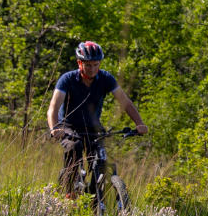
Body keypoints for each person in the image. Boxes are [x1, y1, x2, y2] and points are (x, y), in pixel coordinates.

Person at [46, 41, 149, 199]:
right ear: (79, 63)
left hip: (93, 127)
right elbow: (53, 107)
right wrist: (54, 128)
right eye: (88, 65)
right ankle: (69, 191)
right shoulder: (67, 79)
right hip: (68, 126)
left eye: (96, 64)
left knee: (101, 160)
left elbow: (125, 102)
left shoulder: (105, 78)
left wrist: (139, 123)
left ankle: (96, 201)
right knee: (74, 147)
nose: (92, 69)